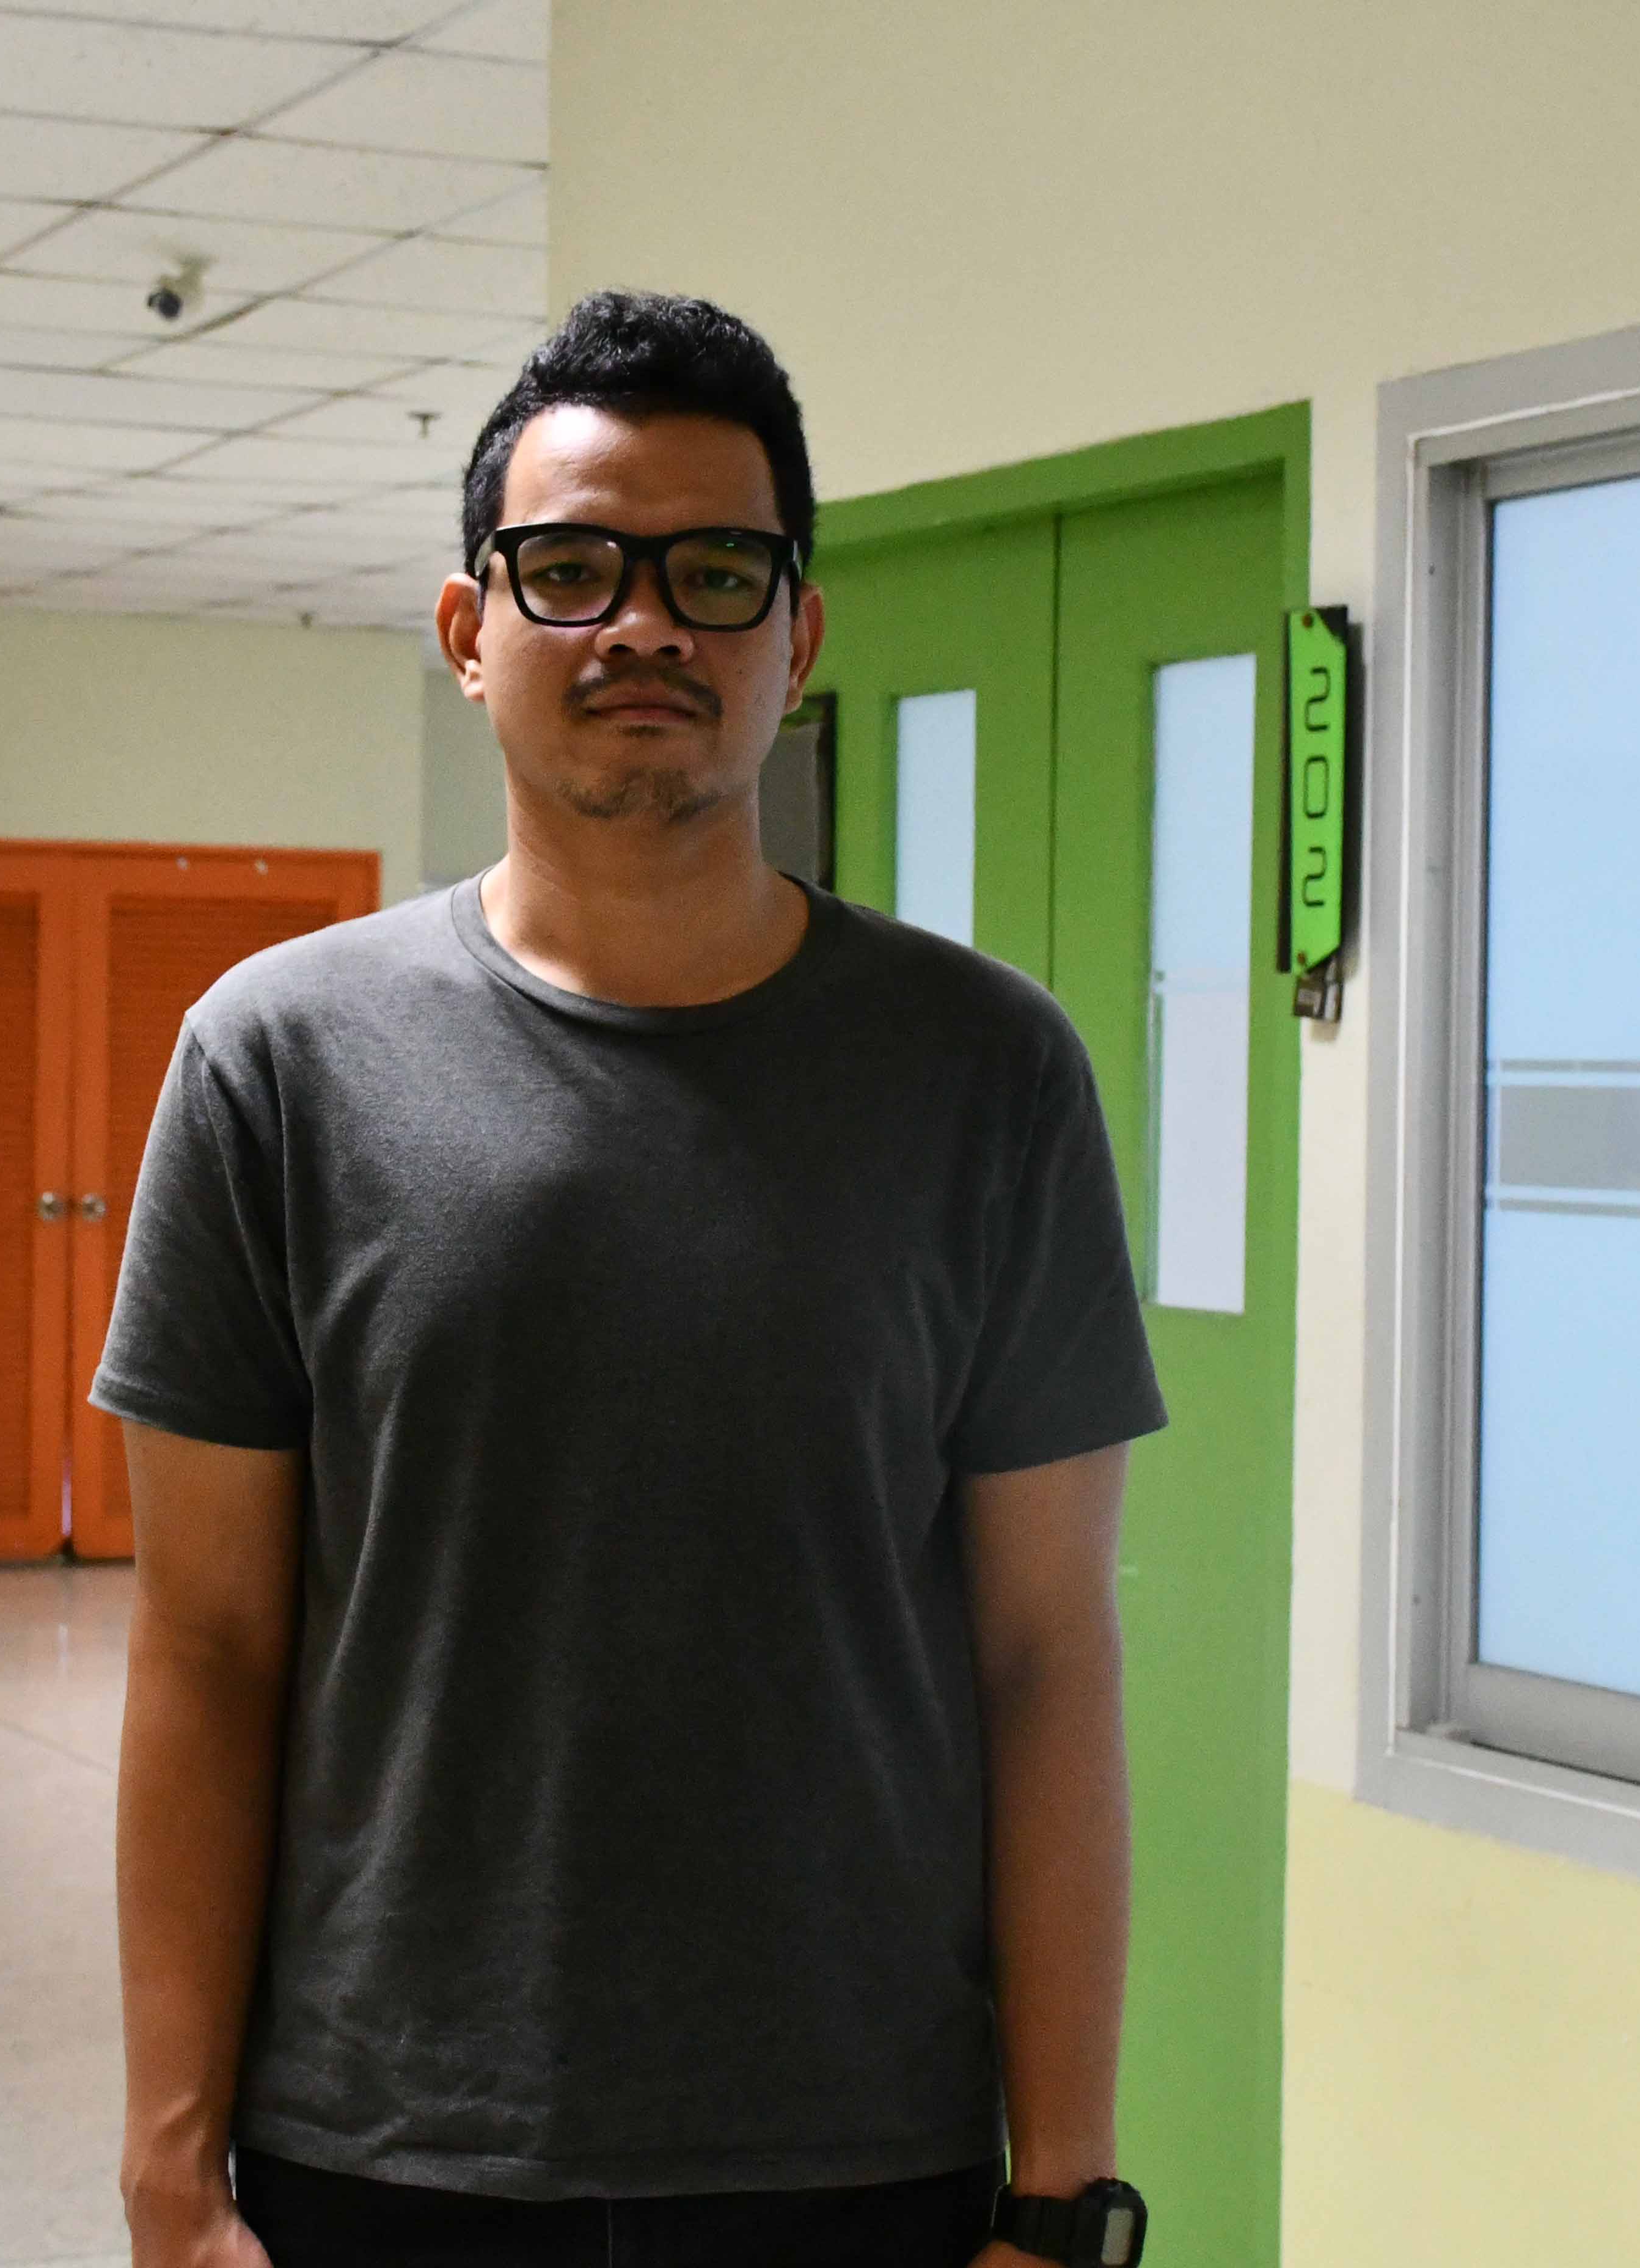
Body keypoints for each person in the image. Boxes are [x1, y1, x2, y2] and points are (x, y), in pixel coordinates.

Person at [97, 289, 1163, 2268]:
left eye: (716, 573)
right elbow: (208, 1649)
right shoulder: (278, 1060)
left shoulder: (985, 1075)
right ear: (468, 630)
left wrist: (1064, 2189)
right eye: (572, 570)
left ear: (798, 635)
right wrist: (171, 2169)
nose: (646, 626)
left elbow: (1045, 1657)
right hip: (387, 2153)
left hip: (853, 2155)